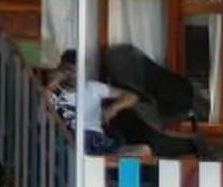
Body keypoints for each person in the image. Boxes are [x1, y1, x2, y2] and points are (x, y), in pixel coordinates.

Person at [42, 51, 199, 159]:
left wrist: (113, 108)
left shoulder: (93, 87)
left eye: (77, 71)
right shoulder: (53, 92)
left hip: (97, 139)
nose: (74, 75)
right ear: (61, 69)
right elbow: (43, 113)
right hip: (68, 139)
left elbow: (131, 96)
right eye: (68, 70)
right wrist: (50, 86)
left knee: (144, 150)